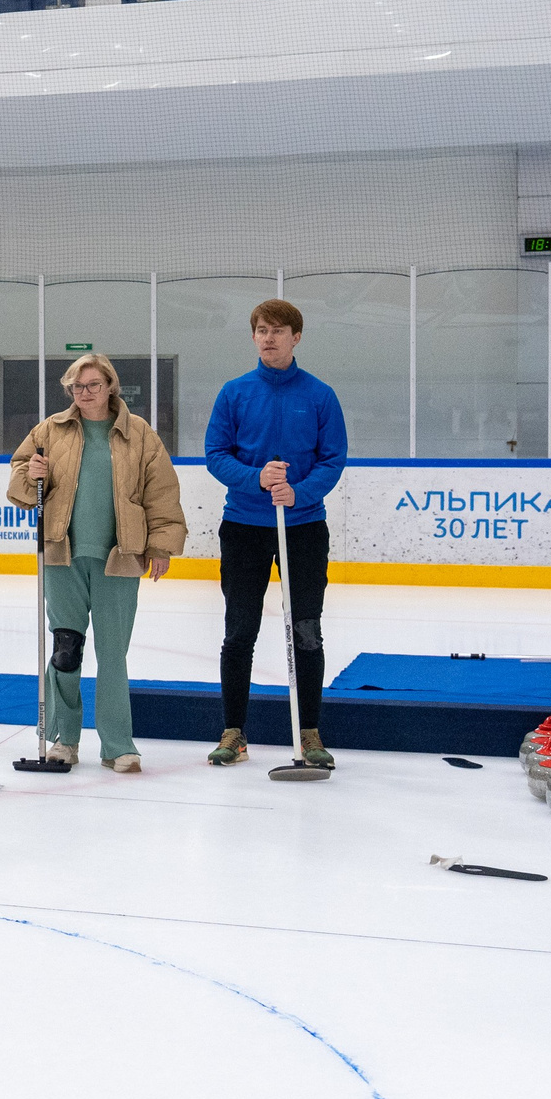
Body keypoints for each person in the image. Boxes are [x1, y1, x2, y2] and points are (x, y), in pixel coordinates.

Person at [6, 352, 185, 772]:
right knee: (66, 650)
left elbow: (162, 491)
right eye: (76, 387)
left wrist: (160, 546)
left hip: (120, 560)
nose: (84, 393)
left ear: (110, 387)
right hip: (61, 557)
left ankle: (118, 745)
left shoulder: (139, 434)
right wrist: (30, 471)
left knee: (112, 654)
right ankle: (63, 739)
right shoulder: (50, 429)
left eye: (92, 385)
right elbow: (19, 480)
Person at [203, 299, 347, 769]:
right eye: (261, 330)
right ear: (253, 337)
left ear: (296, 337)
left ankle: (308, 734)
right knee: (238, 632)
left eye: (278, 330)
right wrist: (257, 479)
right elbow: (216, 453)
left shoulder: (320, 395)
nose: (268, 338)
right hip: (244, 528)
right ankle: (233, 733)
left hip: (303, 528)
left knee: (305, 631)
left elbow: (333, 459)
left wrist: (298, 493)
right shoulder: (235, 392)